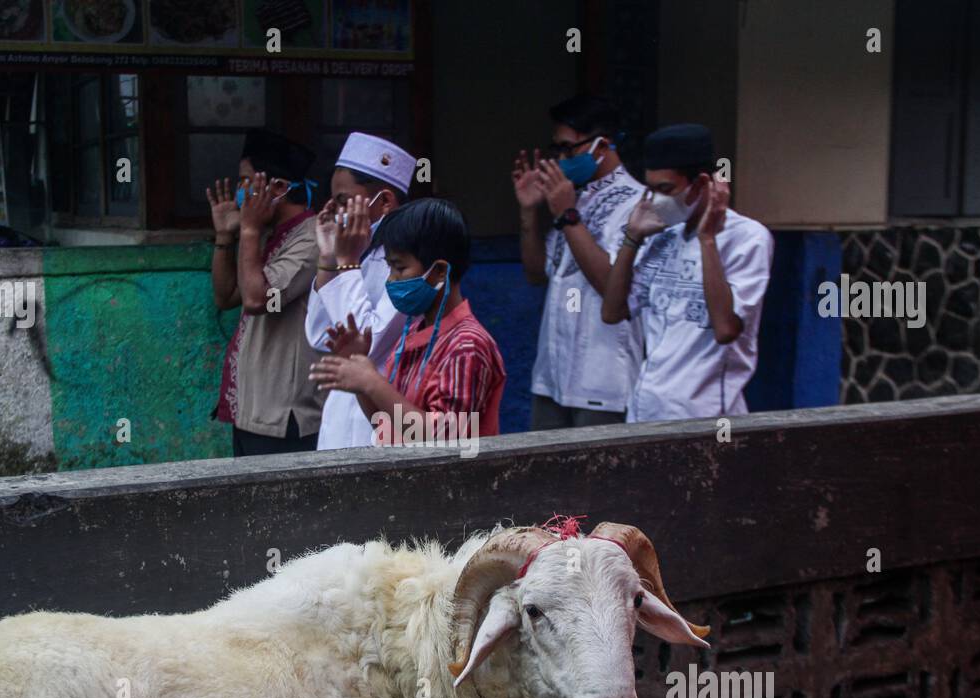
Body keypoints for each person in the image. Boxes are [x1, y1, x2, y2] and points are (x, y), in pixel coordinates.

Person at [601, 123, 774, 422]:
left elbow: (726, 329)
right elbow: (612, 312)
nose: (656, 200)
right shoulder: (661, 236)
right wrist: (632, 238)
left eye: (665, 189)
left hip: (706, 417)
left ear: (701, 183)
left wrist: (707, 239)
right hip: (644, 410)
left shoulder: (748, 238)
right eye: (650, 189)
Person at [307, 198, 506, 443]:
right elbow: (387, 427)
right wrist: (360, 368)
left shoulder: (467, 345)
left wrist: (372, 382)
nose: (390, 280)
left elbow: (447, 438)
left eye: (399, 269)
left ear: (440, 272)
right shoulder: (412, 334)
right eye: (390, 268)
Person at [514, 93, 647, 431]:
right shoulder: (576, 196)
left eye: (566, 149)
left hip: (604, 382)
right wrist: (530, 210)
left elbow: (611, 287)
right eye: (555, 149)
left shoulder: (638, 205)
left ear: (601, 146)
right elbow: (536, 273)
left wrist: (567, 215)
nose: (559, 159)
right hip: (552, 378)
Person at [208, 129, 324, 456]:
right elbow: (226, 296)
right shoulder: (270, 235)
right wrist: (224, 236)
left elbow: (259, 300)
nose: (240, 191)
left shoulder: (312, 238)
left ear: (278, 188)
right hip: (252, 410)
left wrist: (248, 230)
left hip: (284, 417)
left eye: (246, 182)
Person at [304, 132, 414, 450]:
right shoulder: (353, 251)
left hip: (379, 416)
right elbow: (319, 336)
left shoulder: (406, 261)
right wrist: (328, 258)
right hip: (340, 414)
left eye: (343, 200)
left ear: (384, 201)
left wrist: (347, 262)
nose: (335, 209)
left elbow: (371, 341)